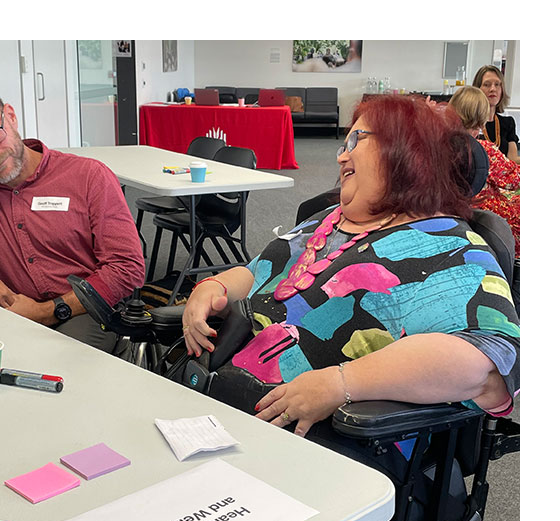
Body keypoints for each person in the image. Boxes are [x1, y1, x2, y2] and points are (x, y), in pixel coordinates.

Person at [181, 94, 518, 458]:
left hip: (312, 449)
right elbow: (257, 272)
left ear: (407, 149)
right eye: (344, 144)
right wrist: (213, 287)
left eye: (357, 141)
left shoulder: (449, 245)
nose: (341, 155)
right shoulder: (328, 218)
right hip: (220, 404)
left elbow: (488, 360)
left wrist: (339, 384)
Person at [0, 79, 146, 354]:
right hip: (6, 309)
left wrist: (46, 311)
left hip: (84, 309)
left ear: (10, 116)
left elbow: (126, 267)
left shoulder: (88, 176)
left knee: (55, 369)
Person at [449, 86, 519, 263]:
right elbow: (515, 179)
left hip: (454, 215)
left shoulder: (439, 144)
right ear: (481, 119)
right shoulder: (483, 150)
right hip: (487, 220)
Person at [472, 65, 519, 162]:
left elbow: (513, 159)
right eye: (487, 84)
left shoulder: (508, 123)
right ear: (477, 89)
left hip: (504, 175)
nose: (493, 89)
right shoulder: (469, 123)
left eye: (497, 84)